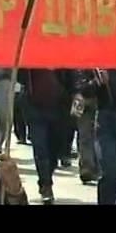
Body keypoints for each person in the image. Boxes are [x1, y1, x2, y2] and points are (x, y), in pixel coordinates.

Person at [19, 68, 72, 205]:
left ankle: (48, 176)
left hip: (58, 108)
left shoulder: (61, 56)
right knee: (40, 149)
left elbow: (71, 77)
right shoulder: (30, 58)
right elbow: (20, 76)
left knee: (54, 150)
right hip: (35, 107)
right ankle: (45, 184)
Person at [75, 69, 116, 204]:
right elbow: (82, 88)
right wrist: (97, 82)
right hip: (107, 122)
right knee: (111, 171)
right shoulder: (100, 61)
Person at [68, 70, 101, 184]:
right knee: (87, 135)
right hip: (87, 97)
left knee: (86, 135)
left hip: (84, 96)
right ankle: (88, 168)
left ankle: (88, 167)